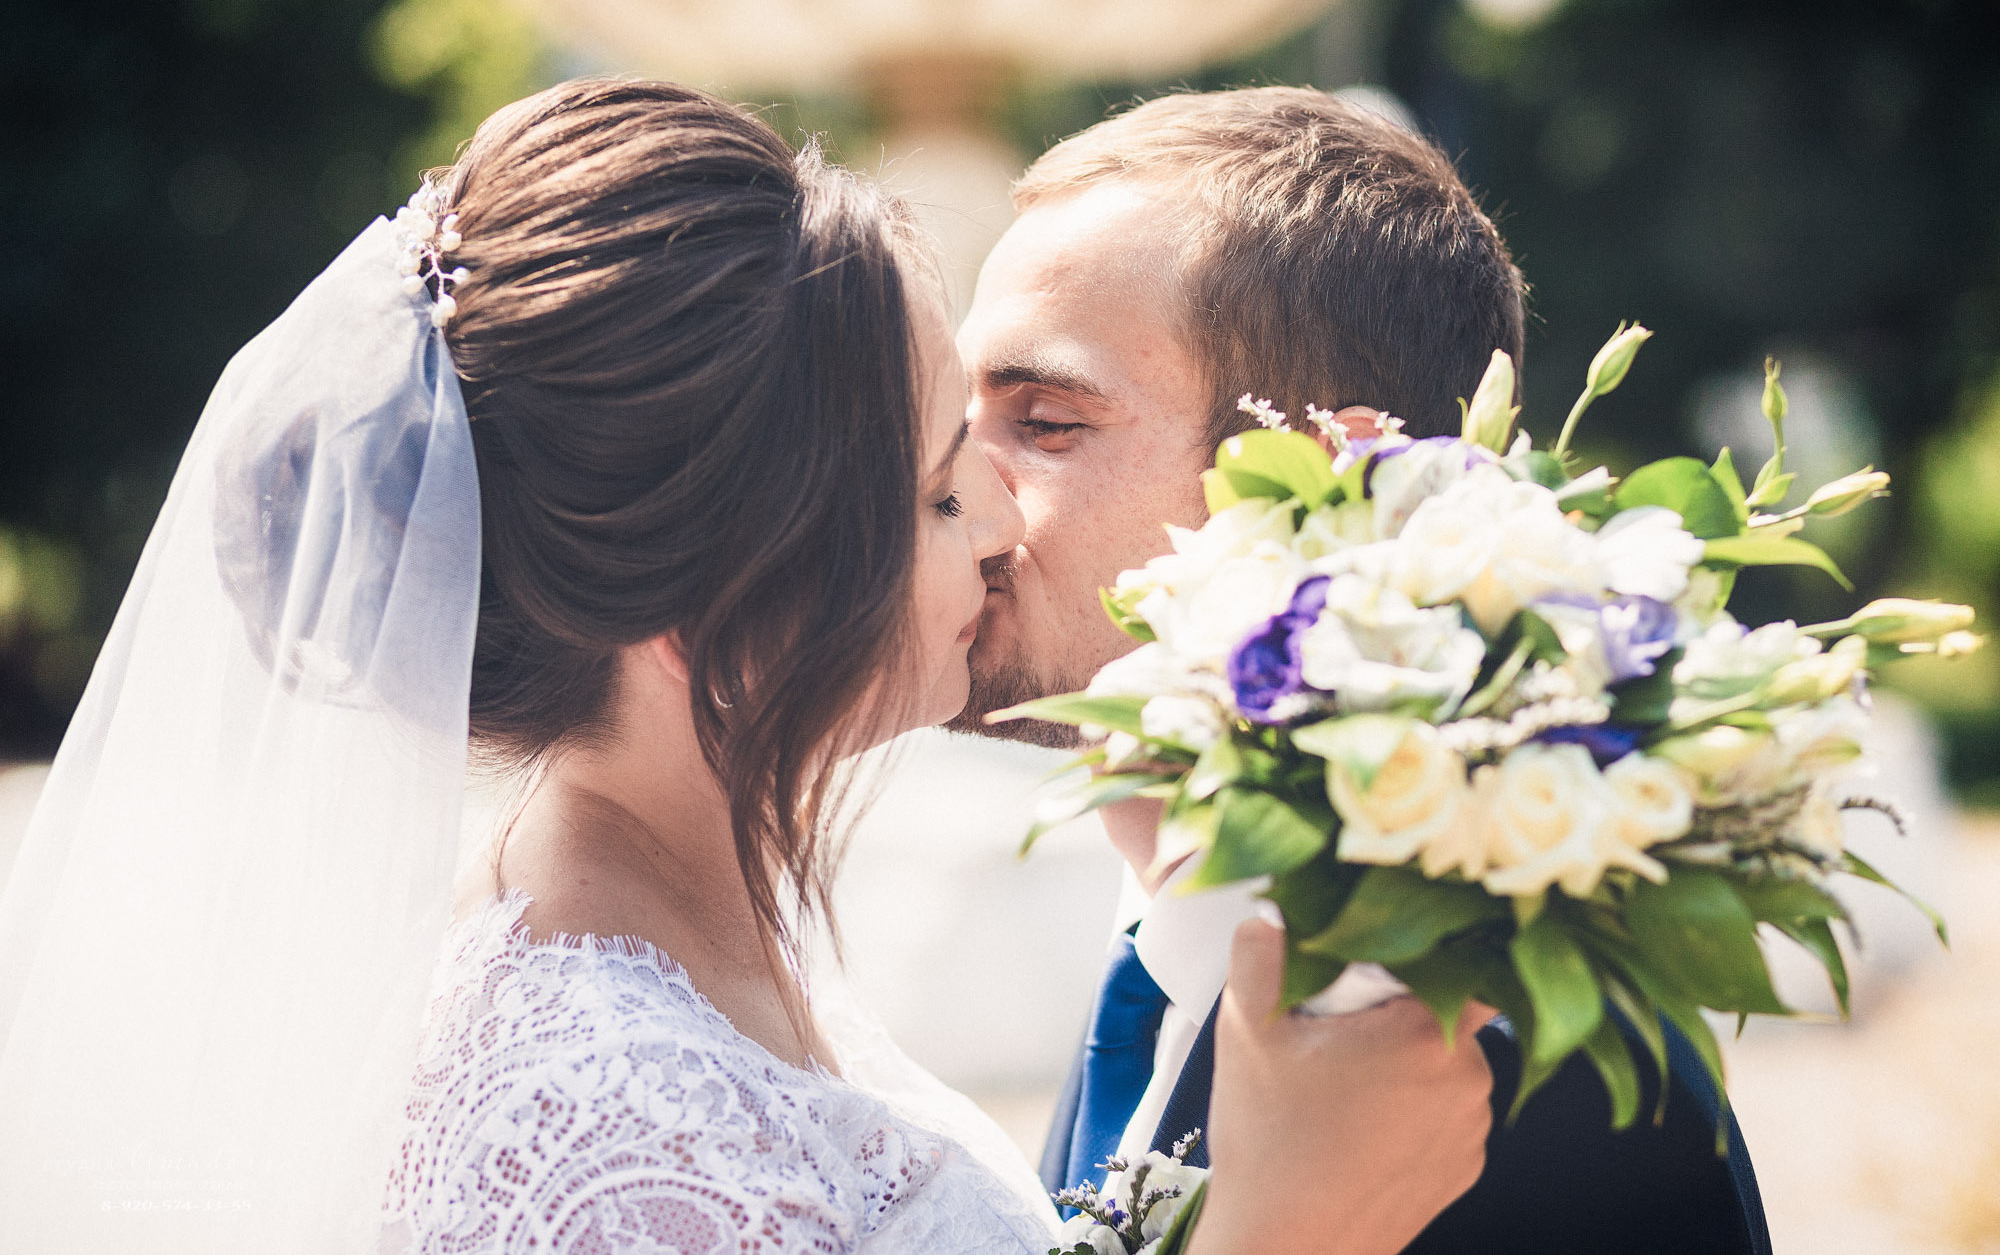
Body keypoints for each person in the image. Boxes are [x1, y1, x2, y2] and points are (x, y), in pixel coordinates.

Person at [0, 77, 1493, 1255]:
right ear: (709, 598)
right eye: (930, 483)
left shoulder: (704, 963)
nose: (988, 521)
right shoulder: (593, 1116)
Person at [952, 86, 1773, 1255]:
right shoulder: (1161, 951)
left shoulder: (1496, 1079)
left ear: (1327, 476)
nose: (950, 485)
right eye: (954, 415)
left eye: (1044, 422)